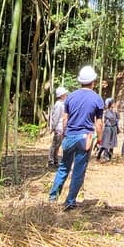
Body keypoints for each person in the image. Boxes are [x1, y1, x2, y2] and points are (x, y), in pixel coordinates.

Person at [48, 65, 104, 210]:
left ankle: (53, 197)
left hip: (69, 136)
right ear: (93, 81)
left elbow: (65, 119)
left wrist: (66, 133)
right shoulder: (97, 99)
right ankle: (70, 201)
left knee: (63, 167)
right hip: (85, 137)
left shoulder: (70, 97)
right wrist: (99, 139)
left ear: (80, 81)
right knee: (78, 170)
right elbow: (98, 123)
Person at [48, 86, 67, 167]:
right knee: (55, 145)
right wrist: (53, 127)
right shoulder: (58, 104)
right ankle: (51, 160)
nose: (66, 95)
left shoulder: (63, 103)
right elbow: (55, 117)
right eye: (65, 94)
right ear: (62, 95)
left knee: (58, 145)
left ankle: (55, 160)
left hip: (62, 127)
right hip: (59, 127)